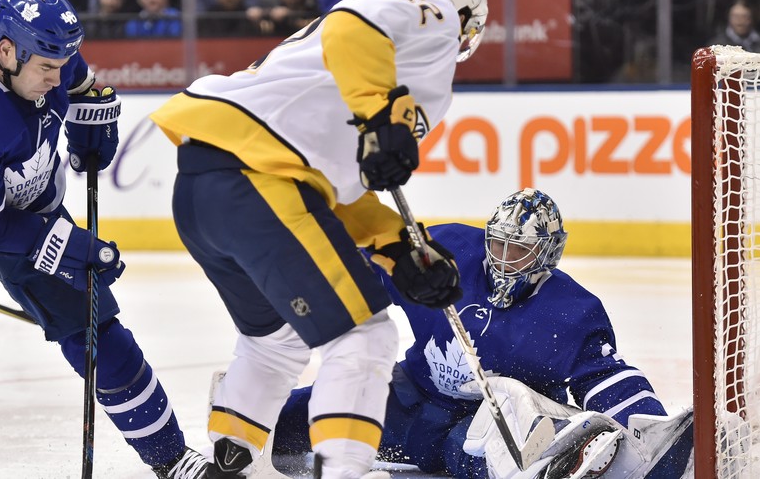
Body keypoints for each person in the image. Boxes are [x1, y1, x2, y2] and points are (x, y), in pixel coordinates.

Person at [149, 0, 488, 477]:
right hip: (258, 185)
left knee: (275, 340)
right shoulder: (434, 14)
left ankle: (232, 461)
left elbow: (333, 189)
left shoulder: (348, 68)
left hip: (205, 190)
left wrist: (395, 243)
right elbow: (352, 22)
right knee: (363, 338)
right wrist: (377, 113)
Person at [0, 0, 207, 478]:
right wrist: (62, 245)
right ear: (7, 52)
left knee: (94, 327)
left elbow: (79, 82)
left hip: (28, 202)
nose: (56, 79)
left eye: (63, 63)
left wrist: (87, 110)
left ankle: (172, 457)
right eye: (47, 70)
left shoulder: (40, 53)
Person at [271, 188, 695, 478]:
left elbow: (606, 377)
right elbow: (370, 273)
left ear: (547, 253)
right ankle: (240, 430)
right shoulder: (449, 251)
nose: (506, 259)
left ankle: (554, 462)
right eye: (499, 244)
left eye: (521, 249)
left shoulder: (571, 311)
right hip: (409, 399)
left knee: (490, 451)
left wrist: (649, 429)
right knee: (308, 412)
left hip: (487, 423)